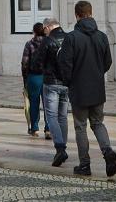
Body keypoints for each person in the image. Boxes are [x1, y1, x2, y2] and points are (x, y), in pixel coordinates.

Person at [56, 0, 116, 178]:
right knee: (98, 123)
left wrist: (69, 81)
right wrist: (97, 73)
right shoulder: (102, 36)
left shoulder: (72, 37)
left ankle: (85, 164)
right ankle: (107, 151)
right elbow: (108, 62)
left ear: (77, 15)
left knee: (80, 126)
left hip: (79, 88)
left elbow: (65, 64)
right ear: (91, 13)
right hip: (97, 88)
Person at [40, 17, 70, 166]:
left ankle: (60, 148)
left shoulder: (47, 41)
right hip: (66, 83)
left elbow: (37, 62)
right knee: (63, 116)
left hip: (51, 82)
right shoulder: (69, 38)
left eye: (44, 29)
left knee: (51, 116)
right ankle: (63, 146)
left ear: (48, 27)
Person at [20, 22, 48, 137]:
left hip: (34, 76)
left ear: (34, 31)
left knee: (34, 103)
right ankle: (48, 129)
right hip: (47, 76)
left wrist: (25, 78)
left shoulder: (29, 44)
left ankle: (35, 128)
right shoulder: (49, 43)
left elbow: (25, 62)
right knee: (48, 103)